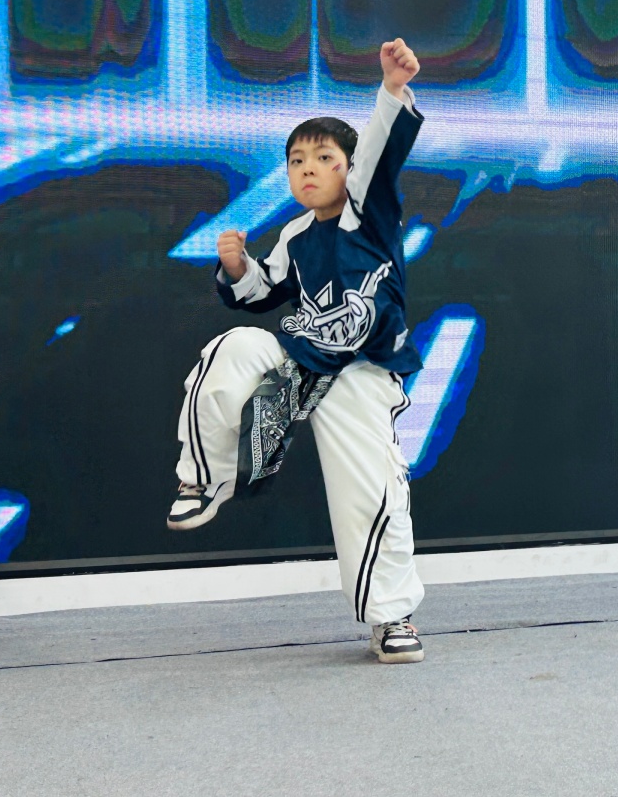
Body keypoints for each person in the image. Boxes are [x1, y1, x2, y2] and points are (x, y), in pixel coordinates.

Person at [166, 39, 428, 664]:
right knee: (229, 350)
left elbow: (381, 156)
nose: (307, 168)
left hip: (362, 374)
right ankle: (205, 478)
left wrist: (390, 90)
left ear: (349, 168)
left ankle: (391, 619)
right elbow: (262, 293)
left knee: (373, 493)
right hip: (300, 362)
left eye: (324, 157)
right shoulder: (293, 234)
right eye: (296, 161)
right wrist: (237, 268)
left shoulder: (371, 214)